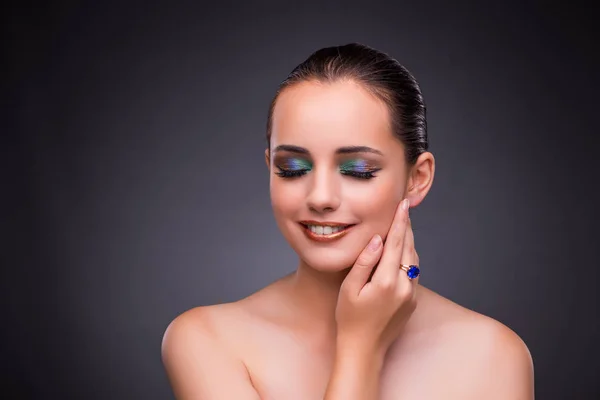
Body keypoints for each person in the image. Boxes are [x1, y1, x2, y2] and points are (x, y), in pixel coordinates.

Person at [161, 43, 534, 399]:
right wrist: (360, 350)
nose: (320, 197)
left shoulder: (492, 355)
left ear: (417, 178)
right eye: (292, 168)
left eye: (357, 169)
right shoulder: (206, 340)